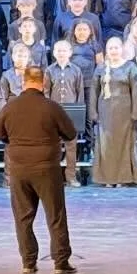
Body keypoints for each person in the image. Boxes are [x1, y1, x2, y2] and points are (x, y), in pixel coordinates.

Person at [0, 62, 78, 274]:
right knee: (55, 215)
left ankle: (28, 263)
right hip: (47, 168)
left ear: (23, 82)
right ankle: (60, 263)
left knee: (23, 217)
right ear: (44, 82)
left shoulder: (10, 107)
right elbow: (70, 133)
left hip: (19, 169)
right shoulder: (51, 107)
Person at [91, 38, 137, 186]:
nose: (113, 51)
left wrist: (135, 112)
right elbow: (94, 91)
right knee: (106, 145)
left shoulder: (130, 67)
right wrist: (93, 112)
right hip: (105, 112)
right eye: (110, 48)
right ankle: (107, 179)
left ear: (121, 49)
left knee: (124, 145)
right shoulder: (100, 68)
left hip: (124, 112)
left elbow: (136, 91)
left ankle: (123, 179)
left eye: (116, 48)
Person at [46, 36, 87, 186]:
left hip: (71, 114)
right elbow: (45, 92)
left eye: (64, 50)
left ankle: (71, 177)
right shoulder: (49, 71)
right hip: (54, 113)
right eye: (58, 50)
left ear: (70, 52)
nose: (61, 53)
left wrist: (78, 114)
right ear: (54, 53)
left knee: (71, 146)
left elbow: (80, 93)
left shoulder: (76, 71)